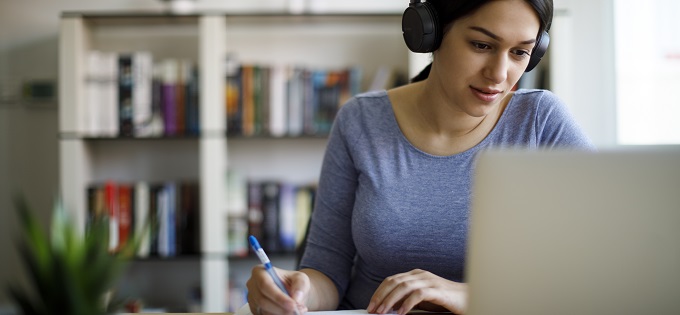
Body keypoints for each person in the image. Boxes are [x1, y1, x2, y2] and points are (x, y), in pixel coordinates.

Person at [246, 0, 594, 314]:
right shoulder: (360, 121)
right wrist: (295, 292)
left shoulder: (540, 122)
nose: (499, 74)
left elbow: (602, 268)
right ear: (428, 33)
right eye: (481, 45)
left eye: (520, 52)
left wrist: (470, 296)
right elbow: (325, 273)